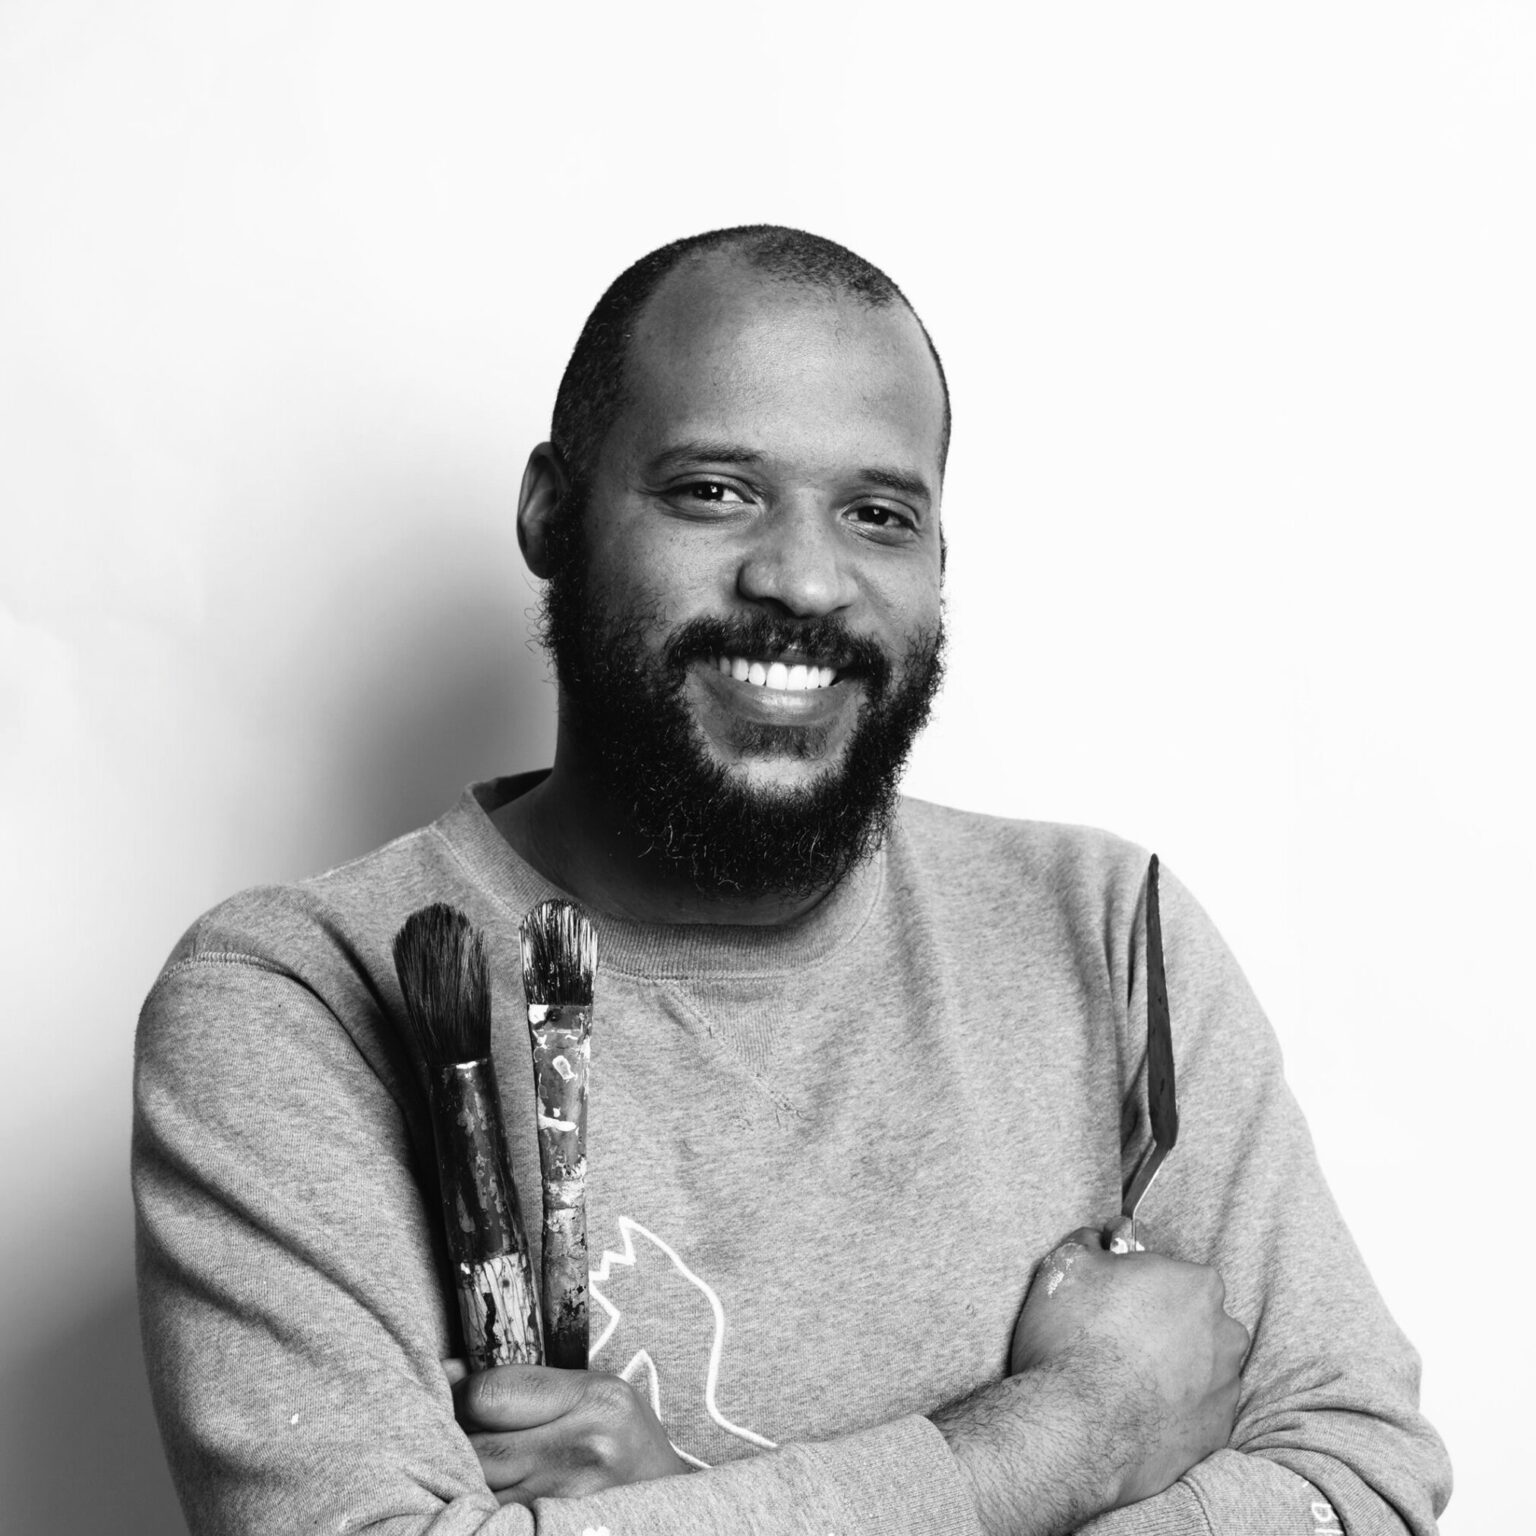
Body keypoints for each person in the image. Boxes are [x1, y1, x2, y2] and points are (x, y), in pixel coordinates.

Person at [133, 226, 1451, 1536]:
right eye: (716, 490)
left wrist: (698, 1514)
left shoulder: (1108, 936)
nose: (805, 578)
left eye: (878, 515)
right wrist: (1076, 1433)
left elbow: (1359, 1478)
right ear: (552, 511)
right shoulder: (299, 1002)